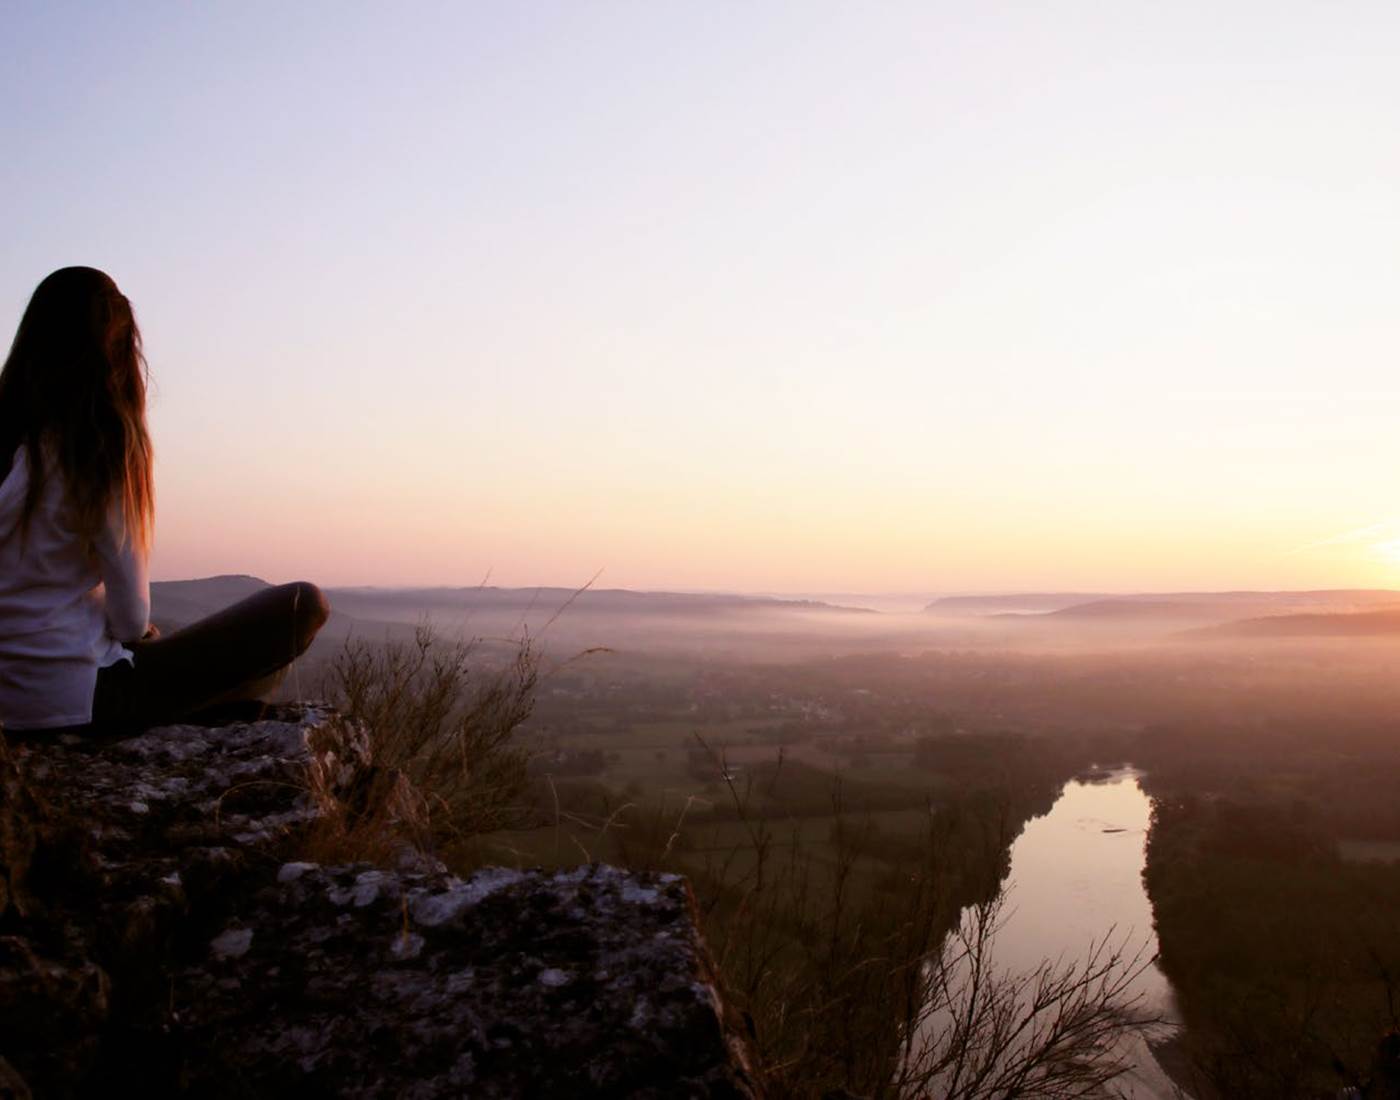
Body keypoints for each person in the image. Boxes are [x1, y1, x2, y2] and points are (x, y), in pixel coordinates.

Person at [0, 266, 328, 735]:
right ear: (116, 350)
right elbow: (131, 621)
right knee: (304, 604)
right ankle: (215, 711)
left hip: (10, 702)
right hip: (77, 700)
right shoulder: (97, 447)